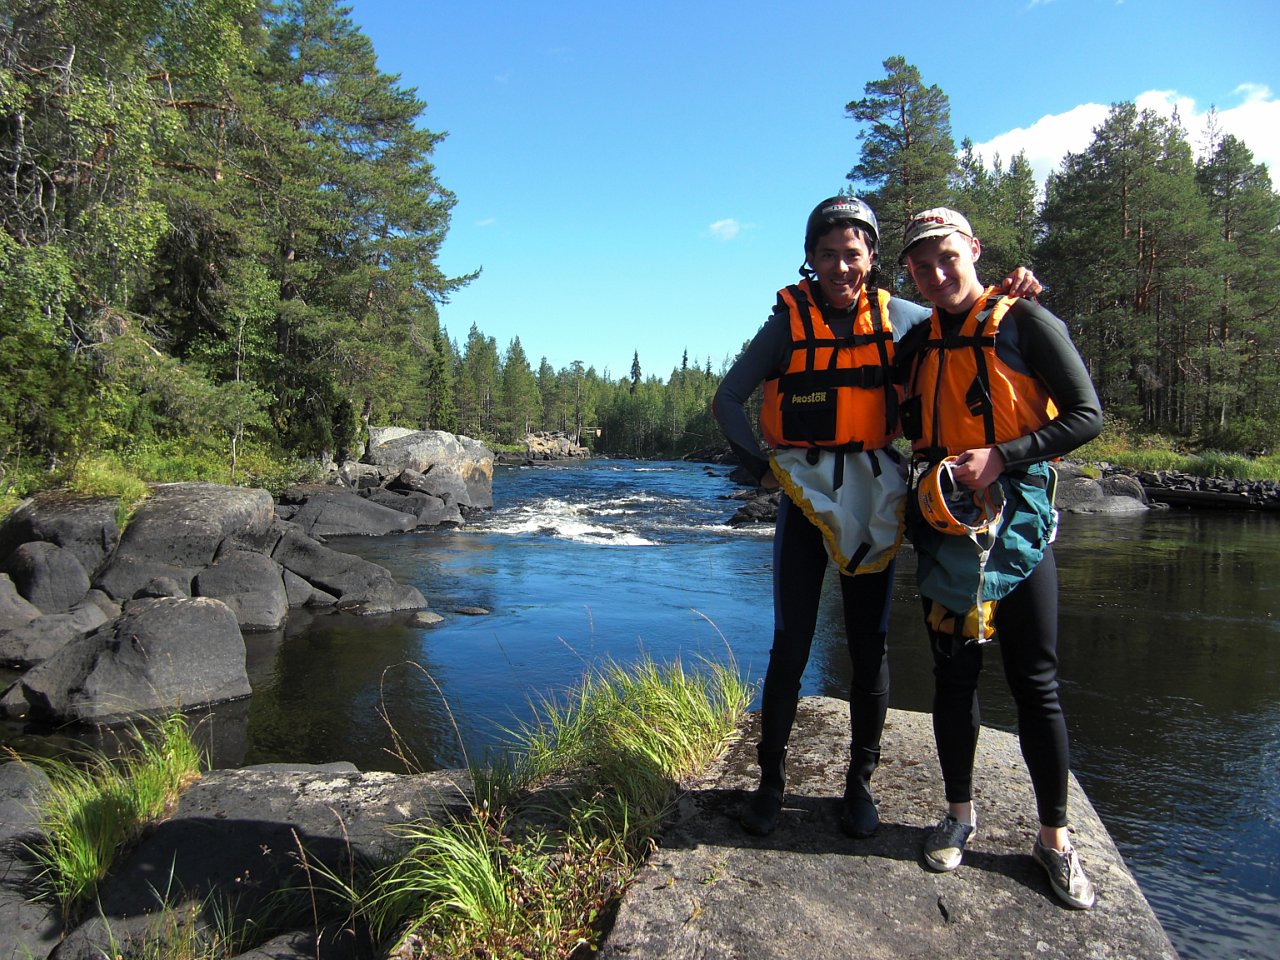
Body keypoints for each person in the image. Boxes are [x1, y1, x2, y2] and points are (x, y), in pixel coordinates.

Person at [712, 197, 1040, 840]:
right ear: (810, 258)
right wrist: (759, 468)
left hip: (875, 493)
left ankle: (859, 783)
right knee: (791, 643)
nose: (840, 266)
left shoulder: (902, 318)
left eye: (852, 254)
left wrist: (1014, 293)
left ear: (870, 257)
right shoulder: (786, 325)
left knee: (868, 645)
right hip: (806, 494)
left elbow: (967, 317)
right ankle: (771, 781)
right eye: (827, 254)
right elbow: (727, 398)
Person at [895, 207, 1103, 909]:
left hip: (1019, 523)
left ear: (974, 251)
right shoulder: (917, 340)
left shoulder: (1027, 320)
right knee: (953, 680)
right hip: (945, 521)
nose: (936, 274)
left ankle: (1055, 840)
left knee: (1035, 681)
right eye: (921, 266)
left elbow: (1086, 415)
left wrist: (1003, 456)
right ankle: (958, 816)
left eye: (947, 258)